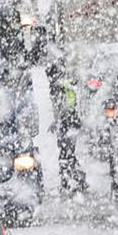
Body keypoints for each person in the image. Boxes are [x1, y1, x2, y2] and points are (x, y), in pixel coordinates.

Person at [47, 59, 87, 194]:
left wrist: (59, 121)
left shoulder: (61, 87)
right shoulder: (62, 86)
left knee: (65, 155)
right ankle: (76, 180)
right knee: (67, 154)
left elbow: (65, 107)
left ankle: (71, 181)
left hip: (68, 123)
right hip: (68, 123)